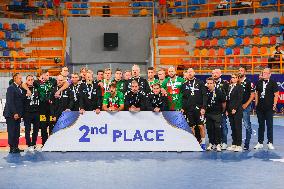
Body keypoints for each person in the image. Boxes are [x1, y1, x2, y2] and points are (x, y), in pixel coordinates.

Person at [181, 68, 207, 150]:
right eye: (188, 72)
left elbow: (204, 95)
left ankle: (203, 143)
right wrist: (183, 108)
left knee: (201, 126)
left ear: (194, 73)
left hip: (199, 109)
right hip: (189, 109)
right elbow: (184, 98)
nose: (189, 73)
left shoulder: (200, 83)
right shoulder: (184, 85)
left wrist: (203, 107)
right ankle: (194, 143)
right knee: (191, 127)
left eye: (191, 72)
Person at [254, 68, 279, 150]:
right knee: (260, 125)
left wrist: (274, 105)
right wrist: (256, 104)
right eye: (263, 72)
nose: (264, 74)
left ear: (269, 74)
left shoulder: (273, 83)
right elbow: (257, 94)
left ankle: (270, 142)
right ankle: (260, 142)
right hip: (260, 108)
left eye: (265, 73)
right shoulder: (258, 82)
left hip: (269, 108)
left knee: (269, 125)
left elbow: (276, 94)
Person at [3, 73, 25, 153]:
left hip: (17, 115)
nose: (21, 80)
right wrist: (15, 113)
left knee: (16, 132)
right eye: (19, 78)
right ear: (15, 78)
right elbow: (10, 102)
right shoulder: (11, 88)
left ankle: (16, 147)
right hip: (11, 114)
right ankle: (12, 147)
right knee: (12, 131)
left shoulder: (19, 88)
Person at [205, 77, 226, 152]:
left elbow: (223, 103)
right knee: (209, 128)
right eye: (208, 83)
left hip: (217, 113)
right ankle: (211, 143)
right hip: (208, 113)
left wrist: (222, 111)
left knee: (217, 129)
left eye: (211, 83)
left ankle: (218, 144)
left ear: (214, 84)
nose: (209, 85)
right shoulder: (205, 92)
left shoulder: (219, 91)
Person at [212, 69, 229, 150]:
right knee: (214, 127)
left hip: (222, 109)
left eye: (216, 73)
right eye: (213, 73)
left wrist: (226, 110)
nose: (214, 74)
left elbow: (228, 97)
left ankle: (224, 142)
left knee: (223, 126)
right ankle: (216, 142)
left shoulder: (225, 83)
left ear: (220, 74)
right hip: (212, 110)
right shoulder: (209, 83)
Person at [226, 73, 243, 152]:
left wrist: (235, 108)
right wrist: (227, 109)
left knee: (237, 127)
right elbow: (228, 99)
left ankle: (239, 145)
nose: (233, 79)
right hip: (229, 110)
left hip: (237, 110)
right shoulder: (230, 86)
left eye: (235, 77)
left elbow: (239, 99)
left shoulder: (239, 87)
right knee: (232, 127)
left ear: (238, 79)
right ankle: (234, 144)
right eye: (232, 77)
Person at [239, 67, 255, 150]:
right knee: (237, 125)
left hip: (245, 106)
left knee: (246, 125)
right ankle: (237, 143)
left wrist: (246, 104)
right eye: (239, 70)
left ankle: (247, 144)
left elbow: (252, 95)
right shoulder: (237, 81)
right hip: (237, 107)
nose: (240, 72)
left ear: (245, 72)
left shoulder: (249, 82)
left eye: (241, 71)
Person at [23, 75, 40, 152]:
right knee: (27, 130)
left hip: (36, 112)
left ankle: (34, 144)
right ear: (26, 81)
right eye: (28, 80)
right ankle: (29, 145)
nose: (30, 81)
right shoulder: (23, 88)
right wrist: (26, 93)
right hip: (27, 113)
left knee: (36, 130)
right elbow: (21, 99)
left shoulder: (36, 87)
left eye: (32, 79)